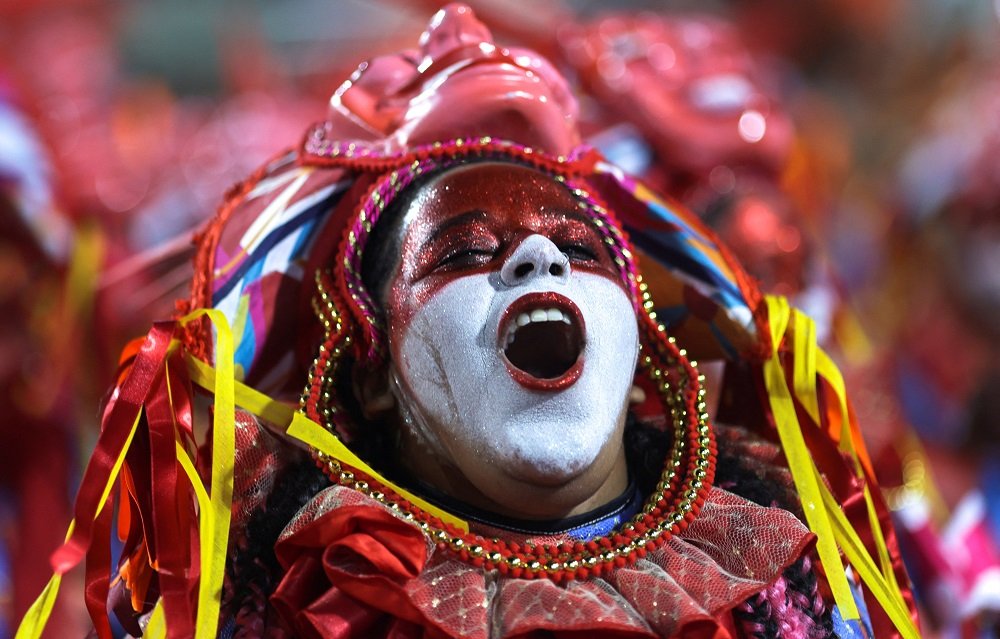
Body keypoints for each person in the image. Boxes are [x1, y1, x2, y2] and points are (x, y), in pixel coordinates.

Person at [18, 5, 918, 638]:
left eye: (579, 246)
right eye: (462, 253)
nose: (539, 260)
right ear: (374, 370)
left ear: (642, 340)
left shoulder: (778, 559)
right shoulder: (297, 597)